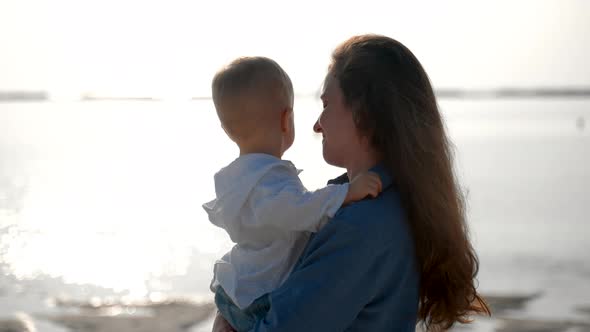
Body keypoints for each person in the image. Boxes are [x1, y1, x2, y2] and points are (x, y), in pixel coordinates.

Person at [213, 35, 491, 332]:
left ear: (364, 113)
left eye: (326, 104)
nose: (316, 125)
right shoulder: (388, 200)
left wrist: (224, 320)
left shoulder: (359, 227)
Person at [203, 56, 383, 332]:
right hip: (258, 297)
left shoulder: (238, 179)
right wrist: (346, 193)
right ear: (286, 121)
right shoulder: (268, 179)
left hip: (238, 288)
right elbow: (299, 209)